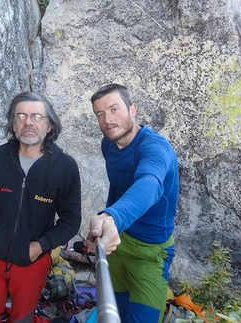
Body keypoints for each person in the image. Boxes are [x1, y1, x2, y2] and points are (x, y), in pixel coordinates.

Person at [0, 92, 82, 323]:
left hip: (33, 260)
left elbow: (71, 220)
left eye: (37, 116)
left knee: (22, 318)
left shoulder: (65, 167)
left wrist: (41, 245)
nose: (28, 121)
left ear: (49, 126)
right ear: (13, 123)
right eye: (21, 115)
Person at [84, 84, 179, 323]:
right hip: (118, 244)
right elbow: (117, 188)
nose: (108, 119)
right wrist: (107, 218)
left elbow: (149, 184)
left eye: (114, 109)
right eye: (100, 114)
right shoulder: (109, 145)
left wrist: (113, 218)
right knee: (117, 311)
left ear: (133, 109)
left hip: (150, 253)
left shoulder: (155, 149)